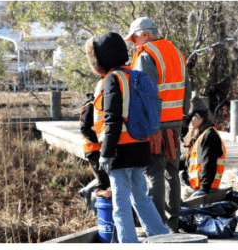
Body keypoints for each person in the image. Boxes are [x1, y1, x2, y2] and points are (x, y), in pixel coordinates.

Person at [85, 32, 169, 243]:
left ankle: (128, 244)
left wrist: (105, 153)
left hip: (120, 152)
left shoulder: (113, 79)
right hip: (140, 147)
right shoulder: (134, 74)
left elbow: (113, 120)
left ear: (103, 58)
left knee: (120, 207)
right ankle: (162, 238)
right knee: (141, 198)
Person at [124, 16, 187, 231]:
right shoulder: (176, 52)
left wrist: (143, 126)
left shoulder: (146, 56)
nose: (133, 43)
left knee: (154, 174)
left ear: (145, 35)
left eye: (134, 38)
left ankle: (156, 226)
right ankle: (173, 224)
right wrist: (182, 118)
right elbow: (186, 90)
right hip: (175, 122)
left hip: (155, 124)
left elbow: (145, 95)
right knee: (172, 171)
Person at [182, 94, 227, 198]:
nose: (188, 123)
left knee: (174, 201)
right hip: (195, 186)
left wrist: (204, 189)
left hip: (203, 188)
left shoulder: (209, 135)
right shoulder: (199, 134)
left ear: (198, 116)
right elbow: (189, 161)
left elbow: (209, 163)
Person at [79, 92, 111, 205]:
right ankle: (97, 209)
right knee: (103, 182)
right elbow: (84, 128)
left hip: (98, 149)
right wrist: (100, 139)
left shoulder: (94, 105)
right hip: (94, 149)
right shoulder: (91, 106)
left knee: (105, 178)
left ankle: (87, 191)